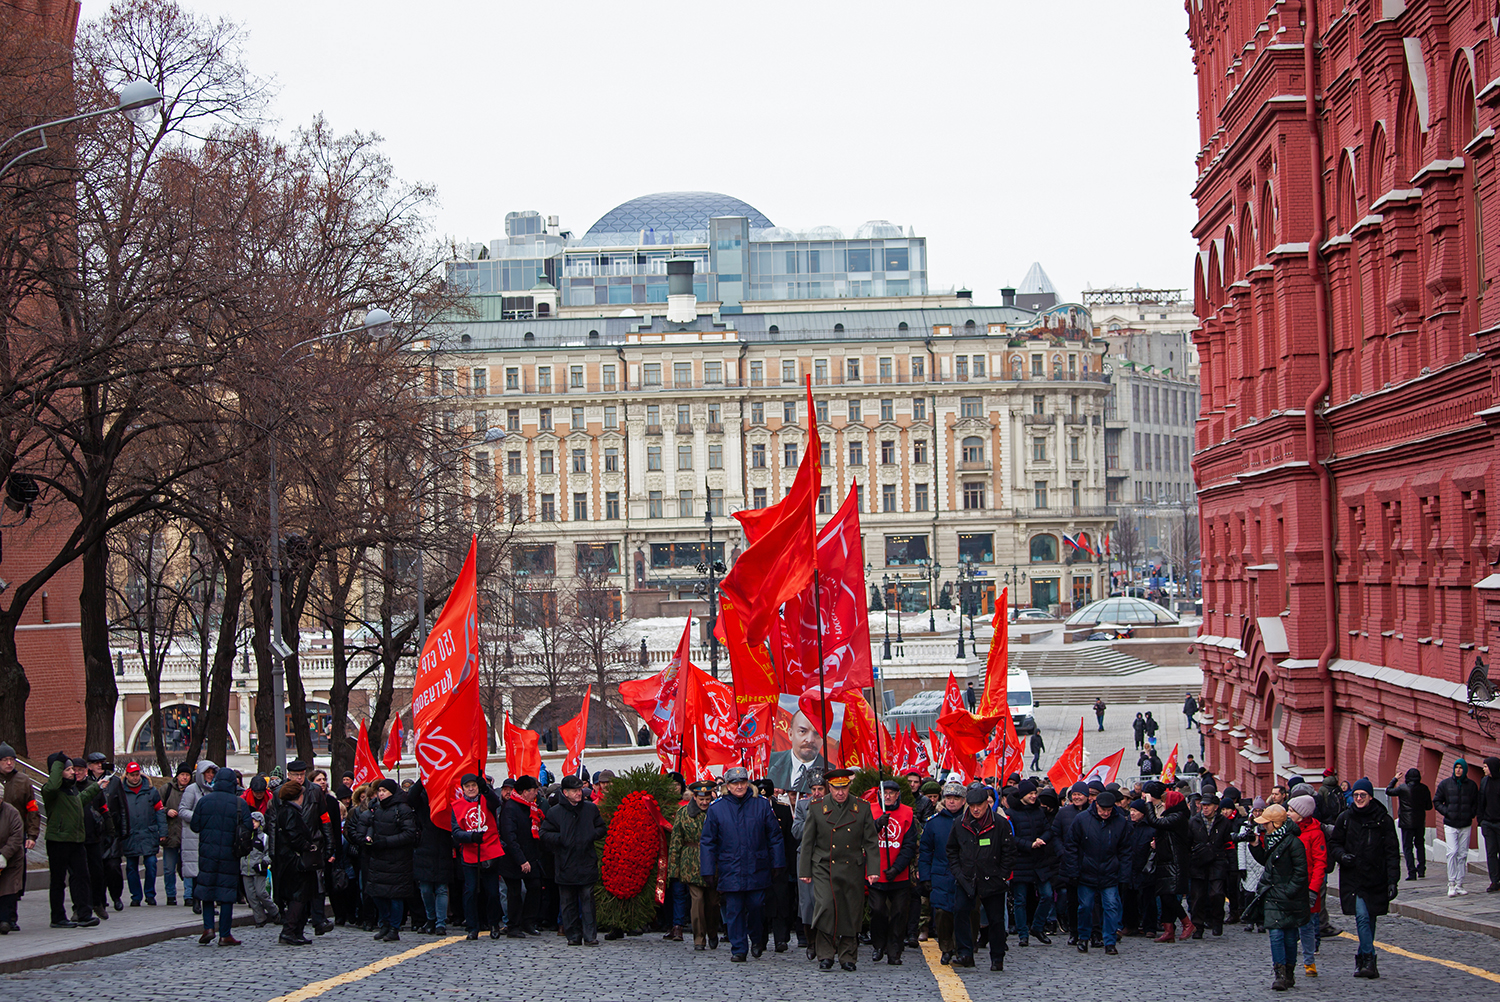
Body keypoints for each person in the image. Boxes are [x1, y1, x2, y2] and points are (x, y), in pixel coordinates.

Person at [700, 766, 785, 962]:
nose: (740, 786)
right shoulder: (716, 808)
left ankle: (756, 938)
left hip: (757, 866)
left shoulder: (761, 805)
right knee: (734, 910)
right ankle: (738, 948)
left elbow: (774, 836)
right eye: (735, 783)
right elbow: (707, 842)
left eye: (743, 782)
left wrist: (778, 863)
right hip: (730, 867)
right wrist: (708, 869)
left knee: (756, 906)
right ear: (728, 786)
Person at [798, 768, 878, 971]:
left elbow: (870, 841)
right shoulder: (817, 808)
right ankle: (825, 954)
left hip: (852, 866)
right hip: (824, 865)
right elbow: (808, 842)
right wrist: (804, 871)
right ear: (829, 788)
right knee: (825, 906)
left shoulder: (862, 807)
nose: (840, 793)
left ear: (849, 786)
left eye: (843, 788)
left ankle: (848, 956)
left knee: (851, 911)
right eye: (835, 788)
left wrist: (873, 869)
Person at [1327, 777, 1400, 978]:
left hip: (1377, 877)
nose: (1359, 798)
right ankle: (1369, 958)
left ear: (1369, 797)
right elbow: (1335, 844)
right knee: (1361, 916)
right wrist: (1342, 856)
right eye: (1356, 795)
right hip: (1354, 878)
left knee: (1371, 919)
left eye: (1363, 795)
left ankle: (1361, 957)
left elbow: (1392, 851)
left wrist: (1393, 880)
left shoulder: (1382, 820)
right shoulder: (1345, 818)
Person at [948, 784, 1018, 970]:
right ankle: (964, 954)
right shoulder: (960, 823)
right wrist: (958, 872)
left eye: (979, 805)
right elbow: (952, 850)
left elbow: (1009, 852)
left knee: (996, 920)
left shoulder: (1000, 823)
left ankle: (997, 957)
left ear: (987, 803)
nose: (976, 809)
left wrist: (1002, 875)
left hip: (992, 880)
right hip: (966, 878)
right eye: (972, 806)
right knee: (961, 913)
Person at [1247, 803, 1310, 991]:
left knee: (1290, 937)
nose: (1264, 826)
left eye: (1267, 823)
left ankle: (1289, 971)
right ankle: (1280, 974)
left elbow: (1301, 871)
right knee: (1275, 934)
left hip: (1290, 897)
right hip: (1273, 894)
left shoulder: (1293, 843)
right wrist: (1255, 845)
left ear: (1275, 823)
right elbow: (1267, 862)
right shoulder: (1272, 839)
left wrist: (1289, 891)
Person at [540, 774, 607, 946]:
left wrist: (591, 834)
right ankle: (573, 935)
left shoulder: (590, 809)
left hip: (586, 861)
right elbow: (544, 834)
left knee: (588, 901)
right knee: (568, 903)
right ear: (565, 793)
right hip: (565, 863)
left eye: (580, 790)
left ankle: (590, 935)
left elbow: (601, 828)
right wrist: (561, 839)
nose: (579, 793)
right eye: (575, 791)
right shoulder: (555, 812)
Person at [1063, 789, 1128, 955]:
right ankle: (1084, 937)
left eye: (1108, 810)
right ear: (1096, 805)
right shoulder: (1082, 819)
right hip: (1087, 871)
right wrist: (1073, 870)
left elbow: (1126, 849)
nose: (1106, 813)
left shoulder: (1120, 822)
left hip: (1110, 871)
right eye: (1102, 810)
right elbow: (1071, 846)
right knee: (1085, 907)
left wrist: (1124, 872)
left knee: (1111, 906)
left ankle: (1110, 941)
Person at [190, 767, 250, 946]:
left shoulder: (204, 801)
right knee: (226, 894)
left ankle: (208, 928)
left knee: (207, 890)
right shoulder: (239, 803)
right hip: (229, 854)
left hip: (207, 852)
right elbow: (248, 826)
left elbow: (195, 825)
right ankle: (225, 934)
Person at [42, 752, 101, 928]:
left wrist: (96, 787)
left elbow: (78, 801)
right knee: (58, 880)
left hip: (75, 840)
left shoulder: (71, 789)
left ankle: (83, 913)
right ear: (57, 771)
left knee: (82, 876)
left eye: (72, 769)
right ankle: (58, 917)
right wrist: (58, 763)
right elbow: (52, 786)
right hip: (58, 841)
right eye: (67, 769)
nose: (72, 772)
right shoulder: (50, 791)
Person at [361, 778, 417, 942]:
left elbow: (409, 834)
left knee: (395, 896)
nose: (380, 794)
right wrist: (369, 837)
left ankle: (394, 927)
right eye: (379, 791)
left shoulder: (402, 809)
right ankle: (384, 923)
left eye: (384, 791)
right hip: (379, 857)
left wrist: (386, 842)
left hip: (397, 859)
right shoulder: (377, 808)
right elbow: (372, 825)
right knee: (377, 894)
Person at [868, 781, 917, 966]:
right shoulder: (871, 810)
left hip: (899, 874)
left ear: (898, 795)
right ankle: (878, 945)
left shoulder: (907, 813)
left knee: (898, 914)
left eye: (891, 793)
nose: (887, 796)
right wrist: (876, 826)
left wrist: (897, 867)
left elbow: (909, 845)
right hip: (875, 872)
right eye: (884, 793)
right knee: (878, 911)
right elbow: (862, 837)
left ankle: (895, 950)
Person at [451, 773, 505, 940]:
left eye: (474, 785)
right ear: (463, 789)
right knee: (470, 891)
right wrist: (471, 837)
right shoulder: (457, 806)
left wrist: (486, 789)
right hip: (470, 852)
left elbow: (496, 803)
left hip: (490, 851)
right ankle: (472, 927)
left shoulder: (486, 800)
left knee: (492, 893)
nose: (471, 789)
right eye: (468, 786)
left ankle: (494, 924)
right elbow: (456, 832)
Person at [285, 759, 336, 934]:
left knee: (317, 884)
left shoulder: (314, 791)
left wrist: (330, 844)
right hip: (292, 847)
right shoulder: (283, 792)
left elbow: (325, 819)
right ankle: (295, 923)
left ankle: (318, 919)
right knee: (296, 887)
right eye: (295, 775)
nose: (299, 778)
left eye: (301, 775)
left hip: (314, 844)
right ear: (289, 775)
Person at [669, 780, 718, 950]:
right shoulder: (683, 813)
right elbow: (676, 841)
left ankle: (712, 931)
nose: (704, 803)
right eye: (701, 799)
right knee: (696, 901)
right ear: (694, 797)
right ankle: (699, 937)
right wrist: (673, 869)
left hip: (713, 862)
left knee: (712, 902)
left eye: (707, 799)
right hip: (691, 862)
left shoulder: (718, 811)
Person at [919, 783, 964, 964]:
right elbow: (925, 852)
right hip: (941, 875)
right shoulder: (934, 823)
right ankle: (946, 947)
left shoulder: (969, 821)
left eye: (956, 798)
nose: (951, 801)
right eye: (949, 798)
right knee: (942, 913)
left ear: (963, 801)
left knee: (965, 914)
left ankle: (963, 948)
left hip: (964, 875)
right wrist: (925, 877)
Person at [109, 761, 165, 906]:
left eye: (136, 775)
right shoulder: (120, 792)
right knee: (131, 866)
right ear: (126, 775)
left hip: (148, 833)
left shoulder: (151, 791)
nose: (135, 778)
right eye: (132, 775)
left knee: (151, 864)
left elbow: (159, 812)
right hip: (130, 834)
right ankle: (136, 896)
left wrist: (162, 831)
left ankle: (150, 894)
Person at [1006, 778, 1055, 946]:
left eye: (1035, 793)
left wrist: (1042, 839)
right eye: (1031, 793)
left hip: (1039, 861)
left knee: (1047, 895)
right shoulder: (1011, 813)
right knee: (1020, 899)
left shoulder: (1039, 811)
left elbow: (1049, 830)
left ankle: (1037, 926)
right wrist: (1029, 845)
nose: (1034, 796)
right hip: (1020, 861)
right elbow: (1011, 837)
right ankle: (1022, 934)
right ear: (1022, 795)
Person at [1144, 785, 1194, 942]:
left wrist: (1148, 804)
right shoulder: (1173, 816)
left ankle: (1187, 923)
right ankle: (1168, 930)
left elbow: (1154, 822)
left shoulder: (1177, 817)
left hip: (1174, 862)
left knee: (1169, 897)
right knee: (1164, 895)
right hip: (1166, 860)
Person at [404, 779, 452, 936]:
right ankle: (431, 918)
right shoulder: (422, 798)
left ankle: (440, 922)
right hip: (424, 846)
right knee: (425, 888)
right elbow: (410, 798)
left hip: (442, 845)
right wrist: (424, 778)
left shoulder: (447, 795)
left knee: (441, 888)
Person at [273, 780, 318, 945]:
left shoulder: (285, 810)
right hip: (295, 860)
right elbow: (293, 836)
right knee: (298, 896)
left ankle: (296, 931)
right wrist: (307, 846)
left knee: (300, 896)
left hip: (289, 859)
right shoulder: (290, 812)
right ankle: (290, 930)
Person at [499, 775, 545, 937]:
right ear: (525, 792)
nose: (536, 793)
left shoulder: (531, 807)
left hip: (530, 857)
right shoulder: (510, 808)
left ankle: (528, 922)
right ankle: (513, 925)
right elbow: (509, 837)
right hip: (513, 859)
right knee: (514, 893)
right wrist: (521, 860)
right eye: (534, 790)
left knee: (535, 887)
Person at [1286, 795, 1327, 979]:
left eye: (1291, 811)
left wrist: (1313, 889)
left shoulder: (1315, 834)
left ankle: (1309, 960)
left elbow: (1320, 863)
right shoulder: (1287, 830)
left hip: (1308, 886)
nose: (1288, 813)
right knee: (1291, 926)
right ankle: (1290, 961)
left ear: (1301, 815)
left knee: (1307, 926)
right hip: (1290, 886)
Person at [0, 745, 39, 927]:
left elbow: (32, 809)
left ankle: (11, 917)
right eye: (4, 760)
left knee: (14, 879)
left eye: (12, 760)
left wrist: (32, 834)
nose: (9, 763)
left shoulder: (23, 781)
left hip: (17, 833)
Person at [1186, 792, 1231, 937]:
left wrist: (1230, 864)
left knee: (1217, 893)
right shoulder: (1194, 821)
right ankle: (1198, 926)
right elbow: (1188, 843)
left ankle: (1217, 920)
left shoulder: (1223, 822)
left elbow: (1228, 843)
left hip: (1217, 860)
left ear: (1216, 807)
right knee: (1197, 896)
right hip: (1198, 861)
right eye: (1203, 805)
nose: (1205, 808)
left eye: (1208, 805)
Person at [1433, 758, 1479, 897]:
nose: (1458, 770)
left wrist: (1471, 814)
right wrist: (1447, 812)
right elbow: (1437, 801)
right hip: (1450, 824)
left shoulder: (1471, 785)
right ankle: (1451, 883)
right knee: (1452, 852)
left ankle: (1460, 883)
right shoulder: (1446, 784)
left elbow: (1476, 802)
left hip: (1465, 824)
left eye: (1461, 768)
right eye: (1456, 767)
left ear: (1465, 769)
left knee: (1462, 854)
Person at [790, 771, 824, 955]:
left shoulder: (832, 806)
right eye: (814, 789)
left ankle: (825, 940)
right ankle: (810, 941)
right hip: (806, 857)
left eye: (820, 789)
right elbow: (796, 832)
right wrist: (813, 819)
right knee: (807, 902)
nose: (817, 792)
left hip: (826, 856)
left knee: (824, 900)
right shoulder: (803, 806)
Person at [177, 760, 216, 913]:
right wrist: (200, 817)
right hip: (194, 836)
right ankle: (196, 900)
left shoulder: (214, 790)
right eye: (208, 772)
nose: (210, 775)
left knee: (210, 871)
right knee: (195, 872)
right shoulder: (191, 790)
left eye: (212, 773)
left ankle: (209, 902)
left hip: (210, 836)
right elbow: (183, 810)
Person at [1385, 768, 1433, 882]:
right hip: (1420, 822)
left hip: (1406, 823)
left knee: (1407, 847)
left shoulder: (1402, 788)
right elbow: (1429, 806)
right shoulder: (1424, 788)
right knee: (1420, 845)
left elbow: (1388, 790)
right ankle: (1421, 869)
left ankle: (1411, 872)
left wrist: (1395, 779)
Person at [767, 710, 830, 794]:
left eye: (817, 733)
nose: (810, 740)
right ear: (790, 734)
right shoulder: (771, 762)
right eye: (803, 731)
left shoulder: (829, 771)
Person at [241, 810, 279, 927]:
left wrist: (263, 863)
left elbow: (269, 852)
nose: (253, 823)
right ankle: (260, 918)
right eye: (251, 821)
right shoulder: (244, 835)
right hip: (245, 869)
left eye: (256, 821)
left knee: (261, 892)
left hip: (258, 869)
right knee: (251, 896)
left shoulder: (264, 837)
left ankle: (274, 911)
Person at [160, 763, 191, 905]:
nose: (184, 778)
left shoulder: (193, 790)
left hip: (188, 835)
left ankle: (189, 895)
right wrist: (167, 811)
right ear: (177, 776)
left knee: (188, 868)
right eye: (182, 775)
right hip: (170, 834)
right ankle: (170, 895)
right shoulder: (166, 790)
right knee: (168, 868)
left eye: (187, 775)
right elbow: (157, 807)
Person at [0, 794, 23, 934]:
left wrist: (3, 855)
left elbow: (17, 836)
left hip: (11, 858)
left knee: (7, 889)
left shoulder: (12, 813)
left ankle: (5, 920)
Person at [1481, 758, 1500, 893]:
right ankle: (1494, 880)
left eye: (1486, 766)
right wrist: (1481, 820)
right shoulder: (1484, 781)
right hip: (1488, 823)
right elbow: (1481, 800)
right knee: (1491, 852)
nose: (1484, 769)